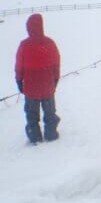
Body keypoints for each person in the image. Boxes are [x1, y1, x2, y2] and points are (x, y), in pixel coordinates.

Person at [15, 13, 61, 144]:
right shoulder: (50, 43)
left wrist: (19, 80)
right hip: (48, 87)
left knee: (32, 115)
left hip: (31, 88)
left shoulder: (24, 45)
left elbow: (19, 66)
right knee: (50, 114)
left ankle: (35, 137)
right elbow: (56, 64)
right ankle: (51, 135)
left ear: (29, 28)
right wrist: (55, 80)